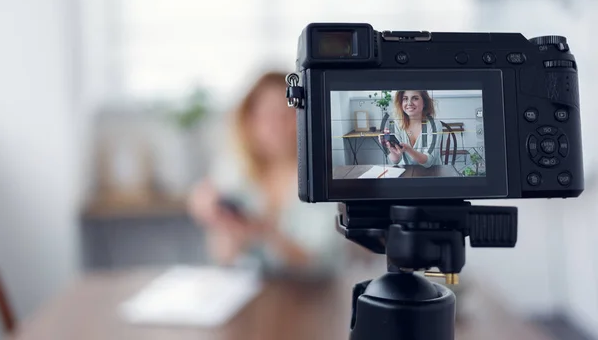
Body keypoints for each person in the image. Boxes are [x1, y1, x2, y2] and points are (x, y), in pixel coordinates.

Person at [188, 71, 343, 278]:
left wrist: (263, 233)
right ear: (248, 121)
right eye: (264, 116)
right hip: (248, 288)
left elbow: (318, 260)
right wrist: (212, 212)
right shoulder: (236, 167)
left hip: (313, 292)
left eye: (284, 116)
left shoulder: (326, 177)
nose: (274, 127)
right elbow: (204, 199)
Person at [379, 90, 442, 167]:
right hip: (407, 174)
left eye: (415, 98)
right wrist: (391, 149)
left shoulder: (434, 125)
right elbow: (396, 160)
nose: (409, 103)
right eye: (405, 99)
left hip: (432, 173)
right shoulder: (397, 123)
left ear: (424, 102)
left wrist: (408, 149)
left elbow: (428, 162)